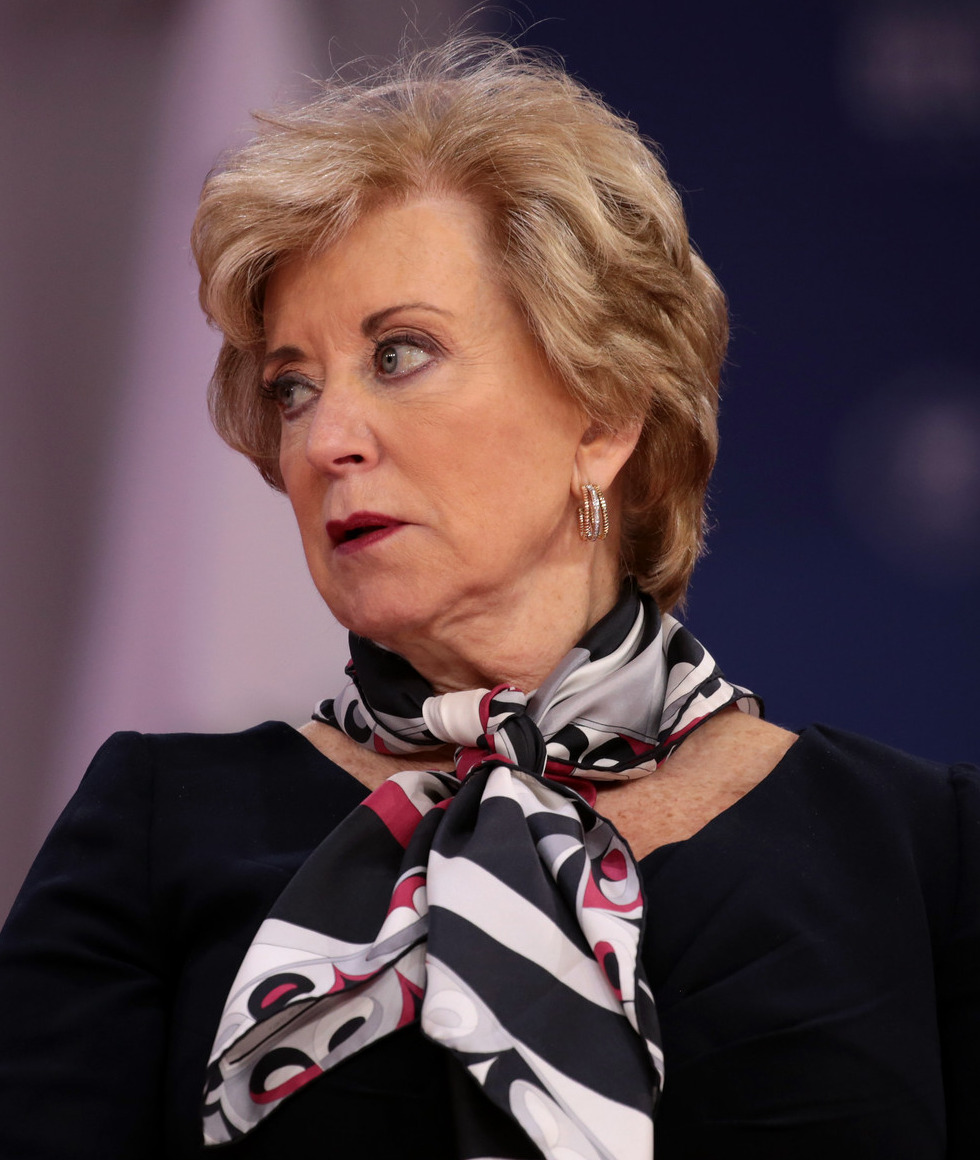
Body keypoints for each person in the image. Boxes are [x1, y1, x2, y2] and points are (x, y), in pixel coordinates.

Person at [0, 35, 977, 1160]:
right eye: (292, 386)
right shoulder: (156, 823)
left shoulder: (918, 848)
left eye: (400, 353)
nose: (326, 439)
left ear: (603, 412)